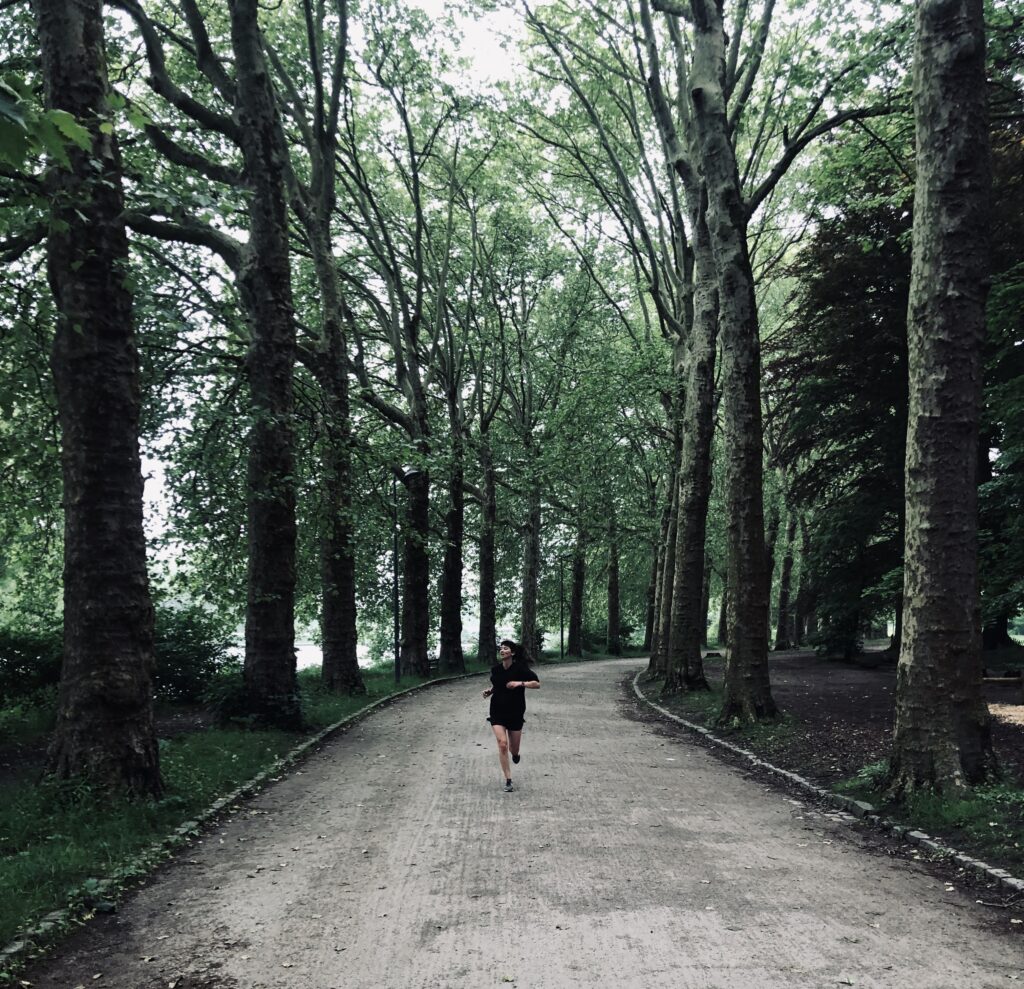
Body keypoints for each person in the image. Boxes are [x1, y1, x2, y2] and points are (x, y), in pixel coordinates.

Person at [482, 639, 540, 792]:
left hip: (515, 712)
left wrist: (520, 683)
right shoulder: (496, 669)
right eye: (501, 648)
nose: (502, 650)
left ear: (512, 652)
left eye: (506, 648)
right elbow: (498, 685)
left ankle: (515, 754)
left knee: (513, 749)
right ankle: (508, 780)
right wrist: (490, 691)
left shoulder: (521, 669)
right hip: (497, 711)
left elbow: (537, 684)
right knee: (502, 744)